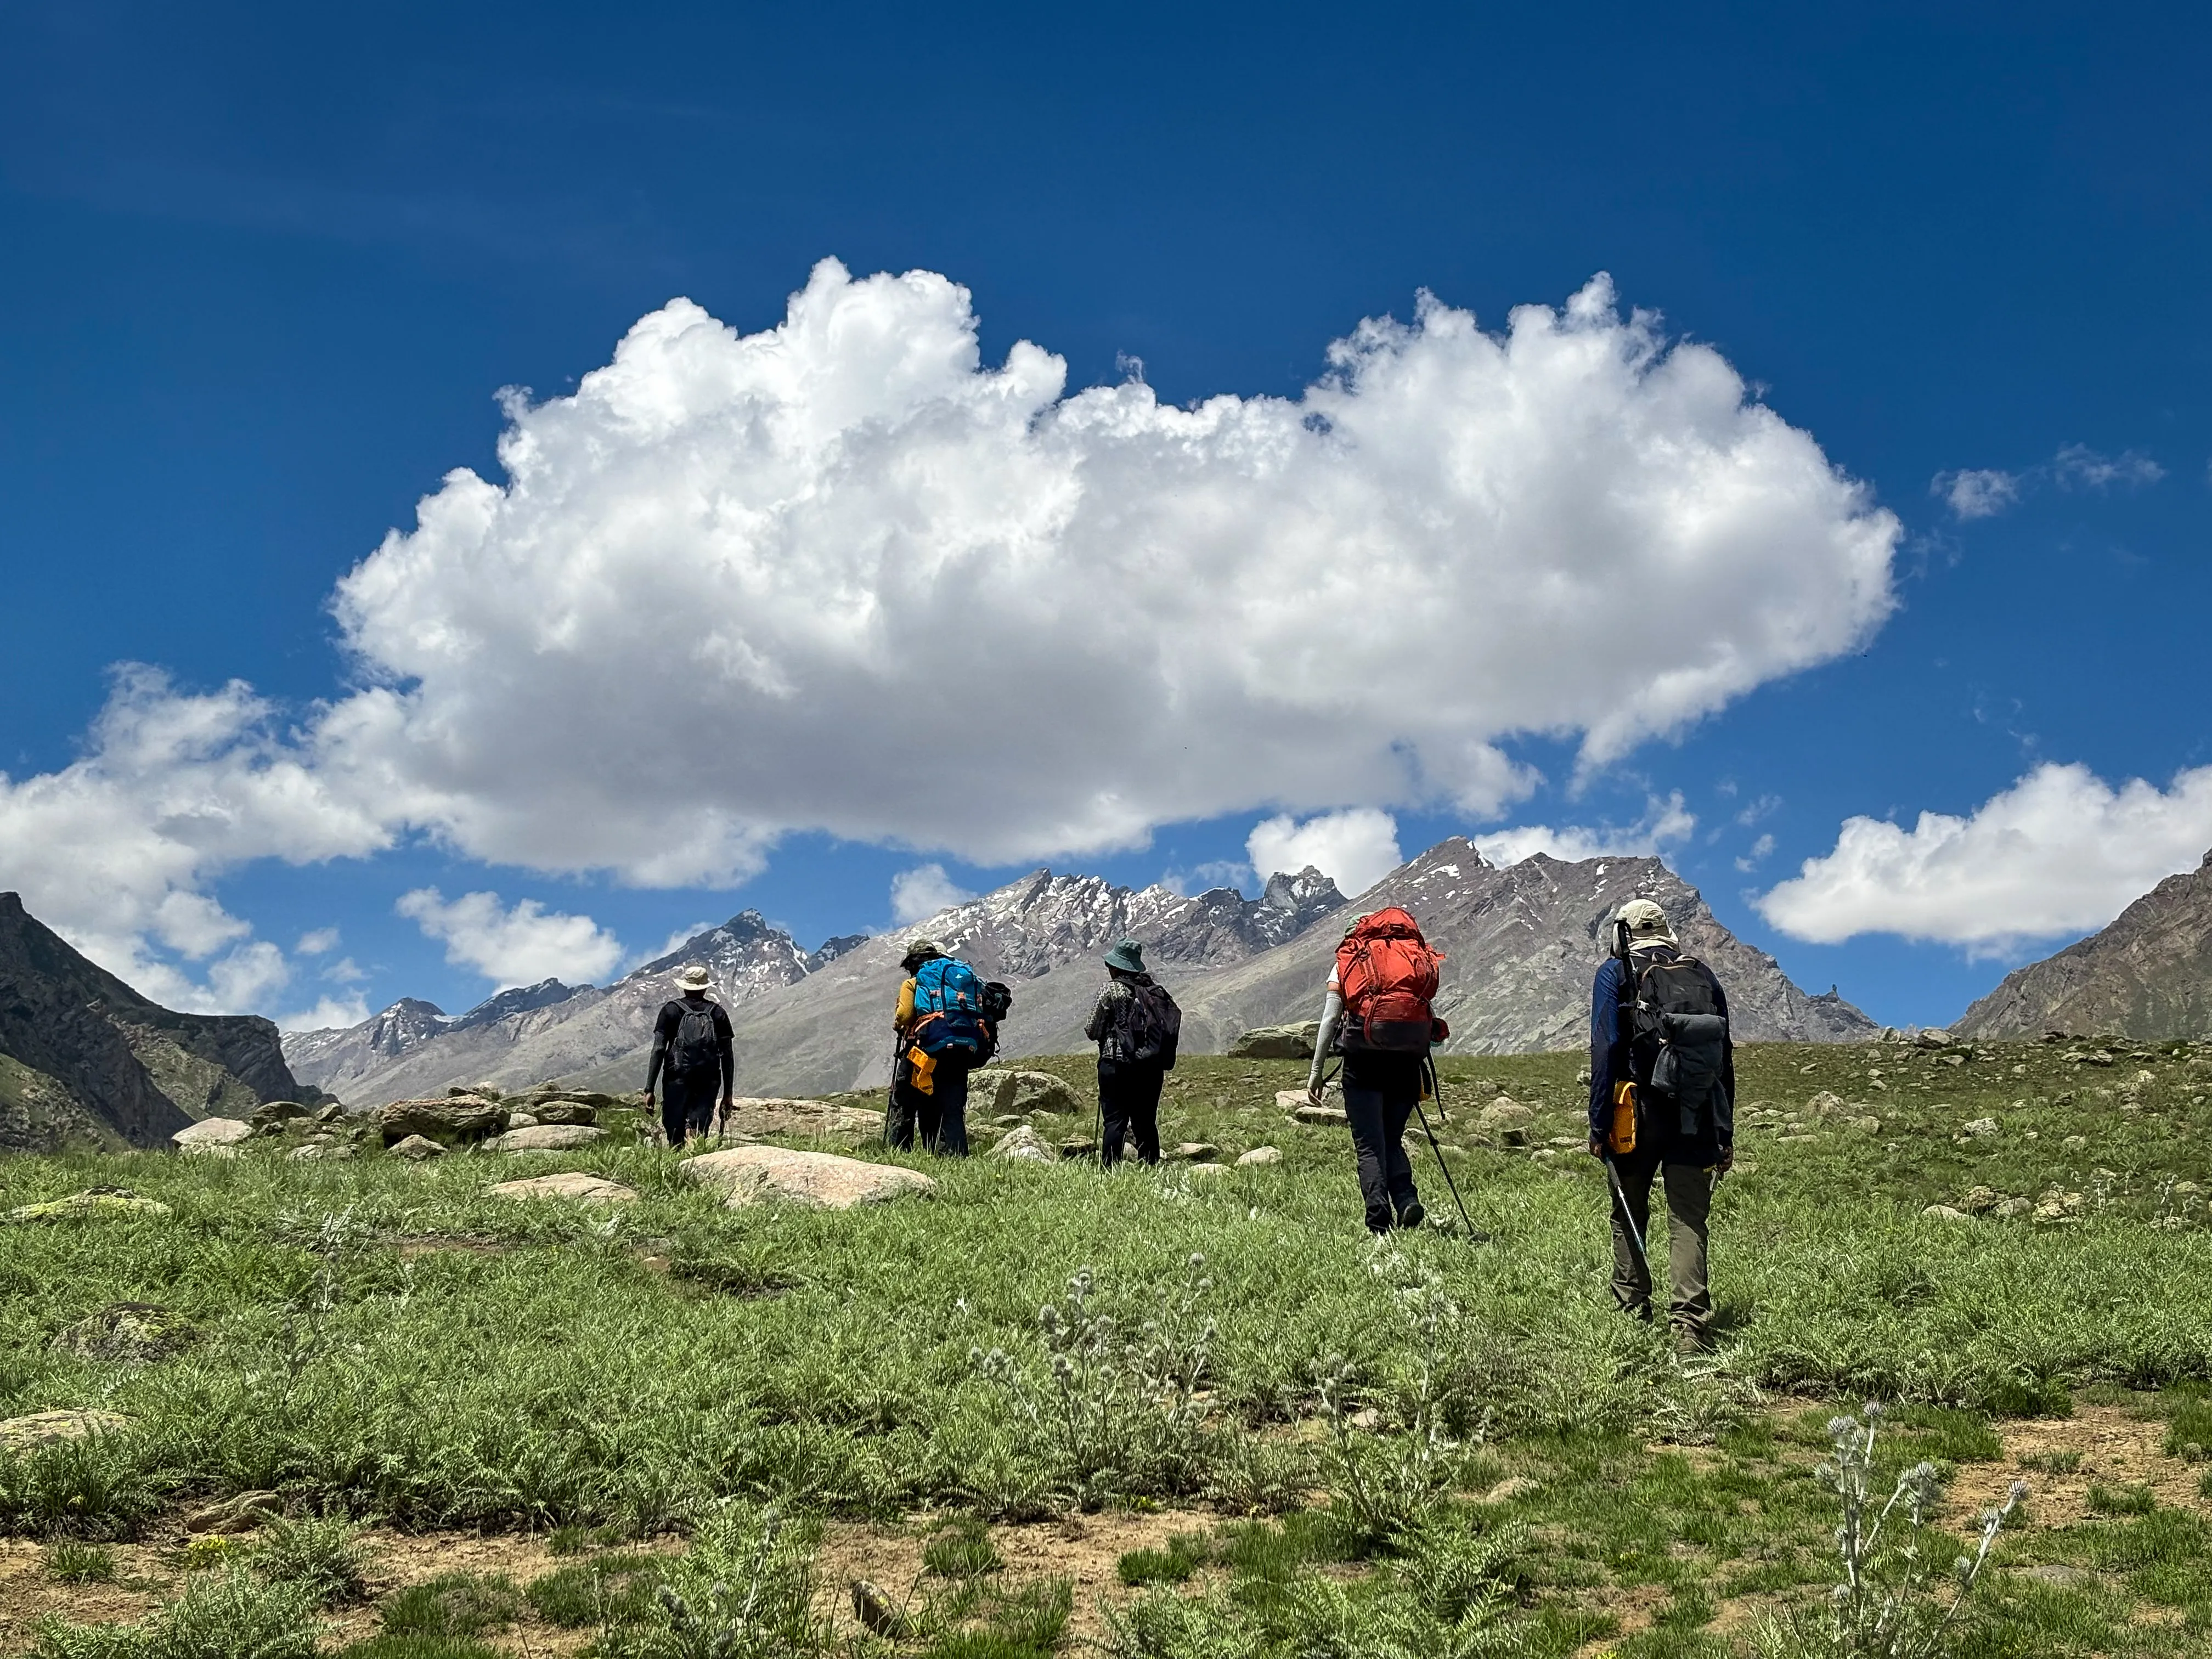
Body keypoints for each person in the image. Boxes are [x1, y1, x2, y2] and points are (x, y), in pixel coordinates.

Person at [1587, 897, 1735, 1352]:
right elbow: (1724, 1056)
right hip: (1697, 1113)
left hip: (1637, 1112)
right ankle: (1689, 1326)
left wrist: (1598, 1124)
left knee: (1629, 1211)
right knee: (1688, 1220)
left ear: (1622, 934)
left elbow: (1607, 1049)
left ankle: (1632, 1310)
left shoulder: (1616, 973)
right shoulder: (1702, 973)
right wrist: (1725, 1132)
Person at [1306, 908, 1446, 1235]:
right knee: (1392, 1138)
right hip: (1407, 1067)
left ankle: (1379, 1223)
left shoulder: (1348, 962)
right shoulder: (1409, 960)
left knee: (1369, 1144)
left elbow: (1329, 1021)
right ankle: (1407, 1199)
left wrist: (1316, 1071)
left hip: (1363, 1066)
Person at [1084, 938, 1180, 1167]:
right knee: (1145, 1121)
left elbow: (1092, 1029)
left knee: (1115, 1120)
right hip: (1150, 1066)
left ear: (1117, 967)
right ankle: (1150, 1167)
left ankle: (1109, 1170)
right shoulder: (1154, 992)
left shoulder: (1110, 990)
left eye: (1110, 966)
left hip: (1116, 1063)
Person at [886, 936, 983, 1156]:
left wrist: (897, 1024)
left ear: (911, 963)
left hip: (923, 1052)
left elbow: (905, 1015)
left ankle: (899, 1152)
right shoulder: (957, 979)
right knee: (951, 1105)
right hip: (960, 1048)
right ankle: (954, 1155)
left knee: (904, 1100)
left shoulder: (914, 982)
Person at [643, 964, 734, 1147]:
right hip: (708, 1079)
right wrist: (728, 1094)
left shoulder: (670, 1010)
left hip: (676, 1077)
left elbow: (659, 1049)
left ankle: (676, 1164)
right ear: (706, 987)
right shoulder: (718, 1013)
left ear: (684, 986)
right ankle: (696, 1161)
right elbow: (728, 1056)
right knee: (699, 1127)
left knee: (674, 1126)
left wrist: (649, 1089)